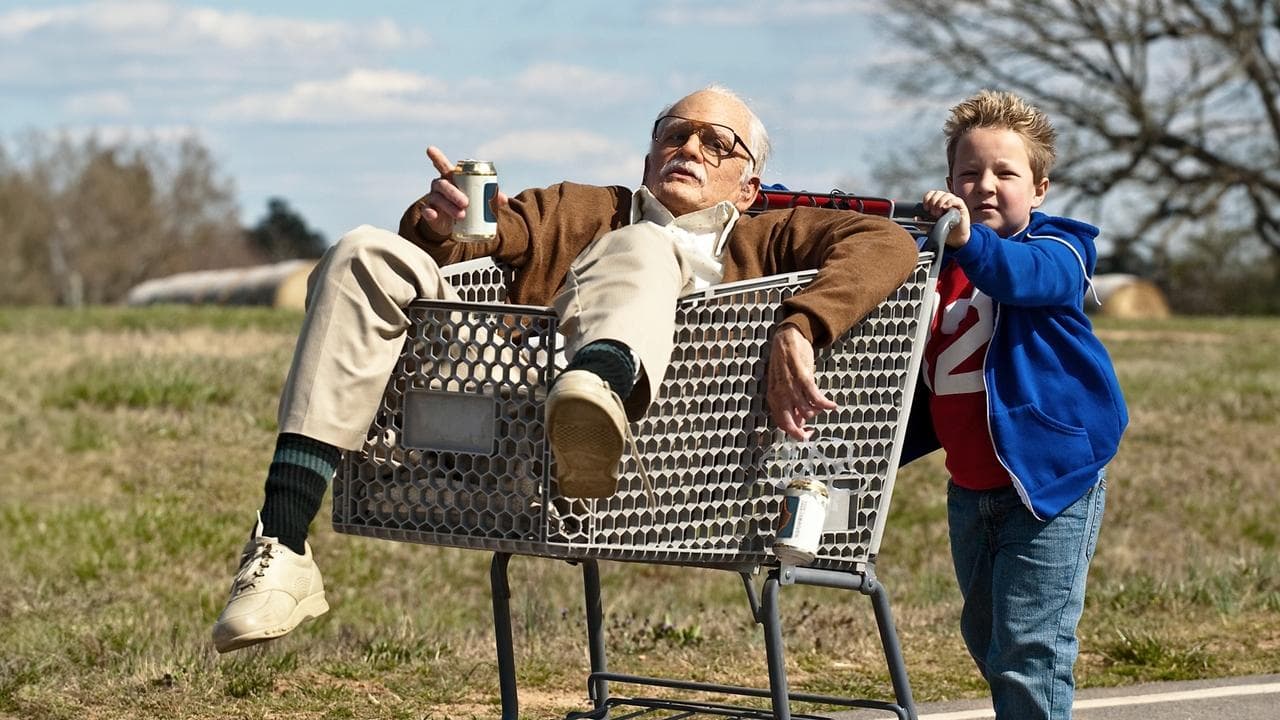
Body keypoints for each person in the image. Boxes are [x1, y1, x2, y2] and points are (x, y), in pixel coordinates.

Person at [212, 85, 919, 653]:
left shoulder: (773, 237)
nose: (689, 148)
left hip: (655, 466)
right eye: (674, 135)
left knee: (646, 245)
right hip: (506, 416)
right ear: (648, 159)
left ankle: (598, 388)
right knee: (363, 250)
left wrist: (801, 324)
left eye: (716, 142)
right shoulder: (585, 209)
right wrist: (441, 223)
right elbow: (487, 239)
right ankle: (283, 540)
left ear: (747, 187)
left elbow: (888, 244)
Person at [905, 90, 1128, 719]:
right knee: (986, 638)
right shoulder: (931, 261)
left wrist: (968, 241)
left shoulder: (1063, 249)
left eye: (1005, 173)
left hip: (1050, 483)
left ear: (1039, 189)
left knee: (1029, 651)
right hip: (970, 488)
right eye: (968, 173)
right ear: (947, 182)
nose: (985, 186)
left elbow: (1019, 276)